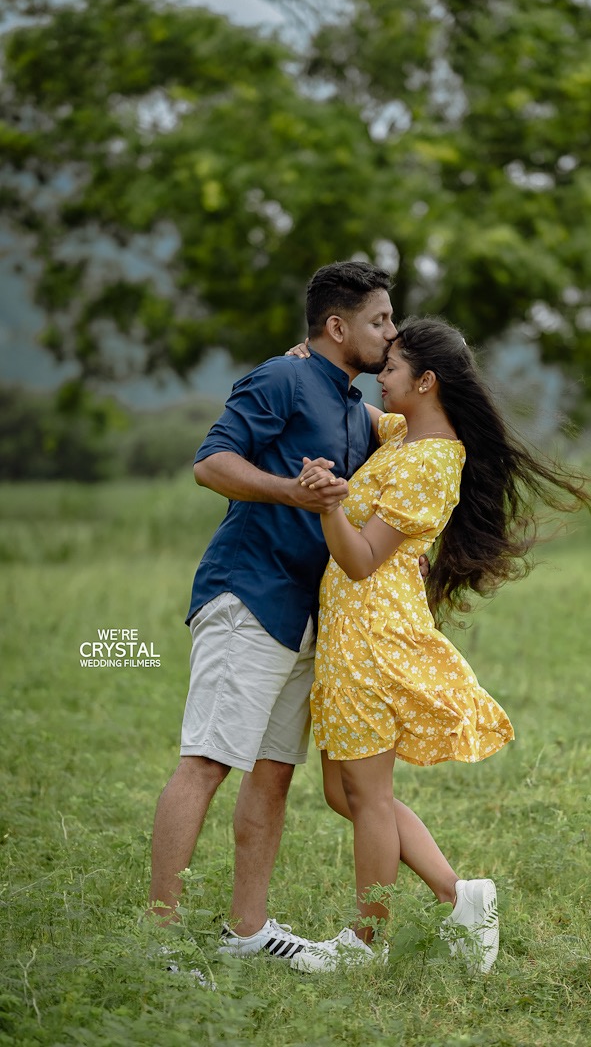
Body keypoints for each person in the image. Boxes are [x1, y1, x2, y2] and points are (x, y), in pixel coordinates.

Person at [288, 316, 591, 973]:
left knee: (368, 797)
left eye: (392, 368)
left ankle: (362, 946)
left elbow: (360, 561)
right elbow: (363, 411)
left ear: (426, 380)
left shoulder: (432, 462)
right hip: (355, 630)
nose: (381, 374)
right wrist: (313, 365)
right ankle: (458, 895)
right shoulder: (408, 435)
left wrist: (328, 506)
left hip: (369, 635)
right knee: (342, 793)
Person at [146, 260, 398, 963]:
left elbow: (425, 423)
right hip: (248, 595)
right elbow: (210, 463)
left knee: (273, 770)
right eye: (379, 319)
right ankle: (157, 944)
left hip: (304, 615)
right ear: (336, 325)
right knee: (205, 762)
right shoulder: (282, 378)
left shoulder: (356, 408)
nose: (390, 331)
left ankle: (246, 931)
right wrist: (293, 492)